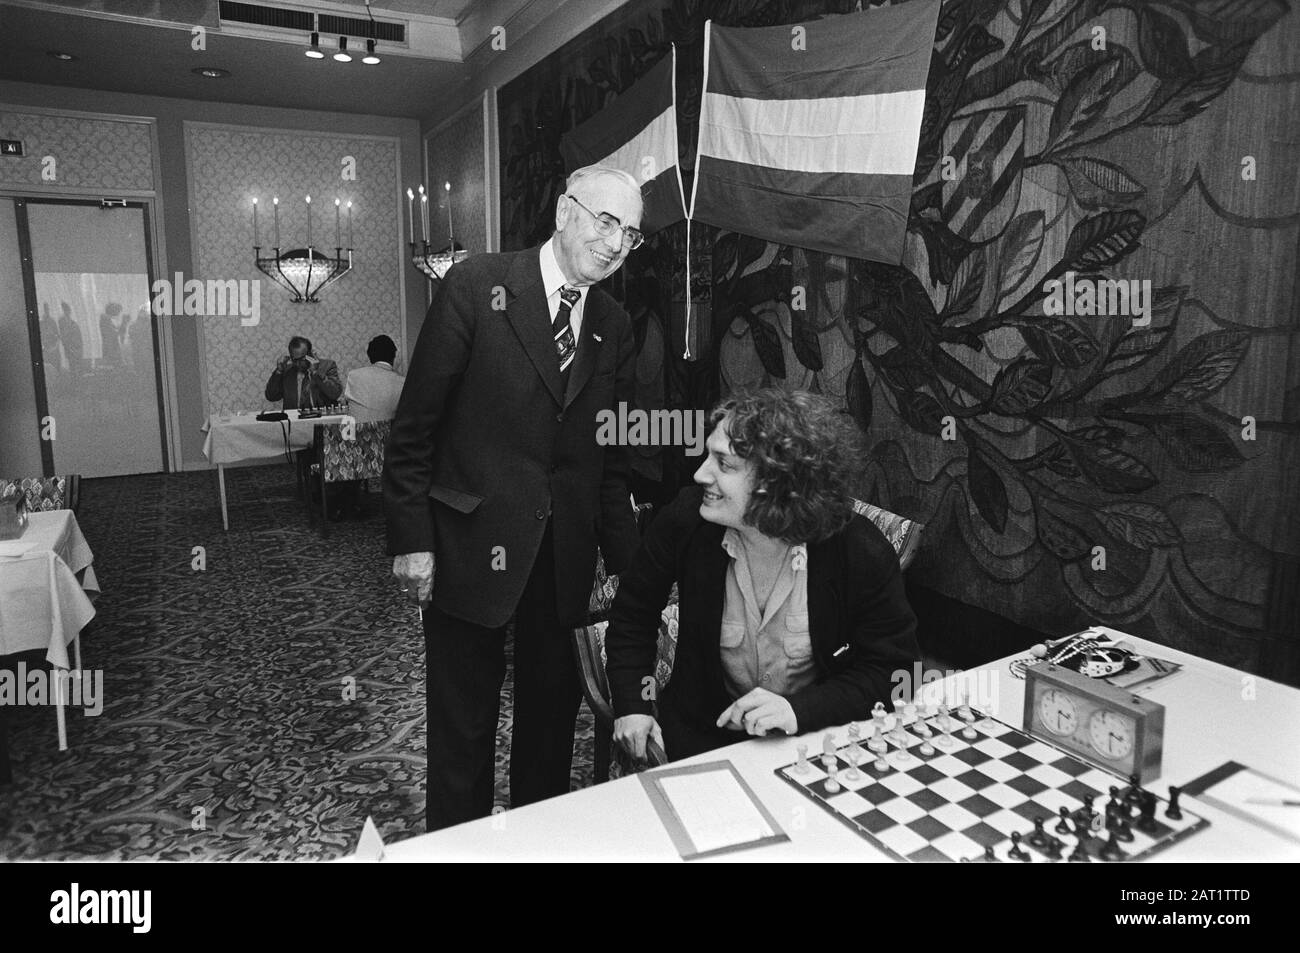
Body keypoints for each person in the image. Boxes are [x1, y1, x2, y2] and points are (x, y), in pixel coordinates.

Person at [384, 164, 645, 830]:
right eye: (607, 221)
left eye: (632, 234)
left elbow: (605, 461)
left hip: (559, 565)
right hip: (467, 550)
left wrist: (632, 568)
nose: (617, 244)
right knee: (461, 737)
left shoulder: (612, 325)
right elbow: (415, 430)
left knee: (549, 739)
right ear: (564, 211)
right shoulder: (477, 286)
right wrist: (411, 541)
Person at [606, 388, 920, 762]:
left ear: (776, 482)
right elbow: (633, 614)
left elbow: (896, 671)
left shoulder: (858, 550)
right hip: (703, 740)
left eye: (723, 464)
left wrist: (800, 710)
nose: (700, 473)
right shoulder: (685, 522)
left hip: (817, 744)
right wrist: (635, 703)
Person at [264, 335, 342, 409]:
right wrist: (279, 371)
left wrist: (316, 372)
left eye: (302, 359)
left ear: (310, 353)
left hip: (322, 417)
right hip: (295, 419)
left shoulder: (327, 365)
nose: (299, 364)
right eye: (295, 360)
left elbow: (335, 394)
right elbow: (271, 396)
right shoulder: (287, 371)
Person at [343, 334, 404, 423]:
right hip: (387, 435)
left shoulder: (353, 376)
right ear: (393, 356)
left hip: (357, 435)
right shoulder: (403, 382)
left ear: (370, 356)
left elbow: (348, 404)